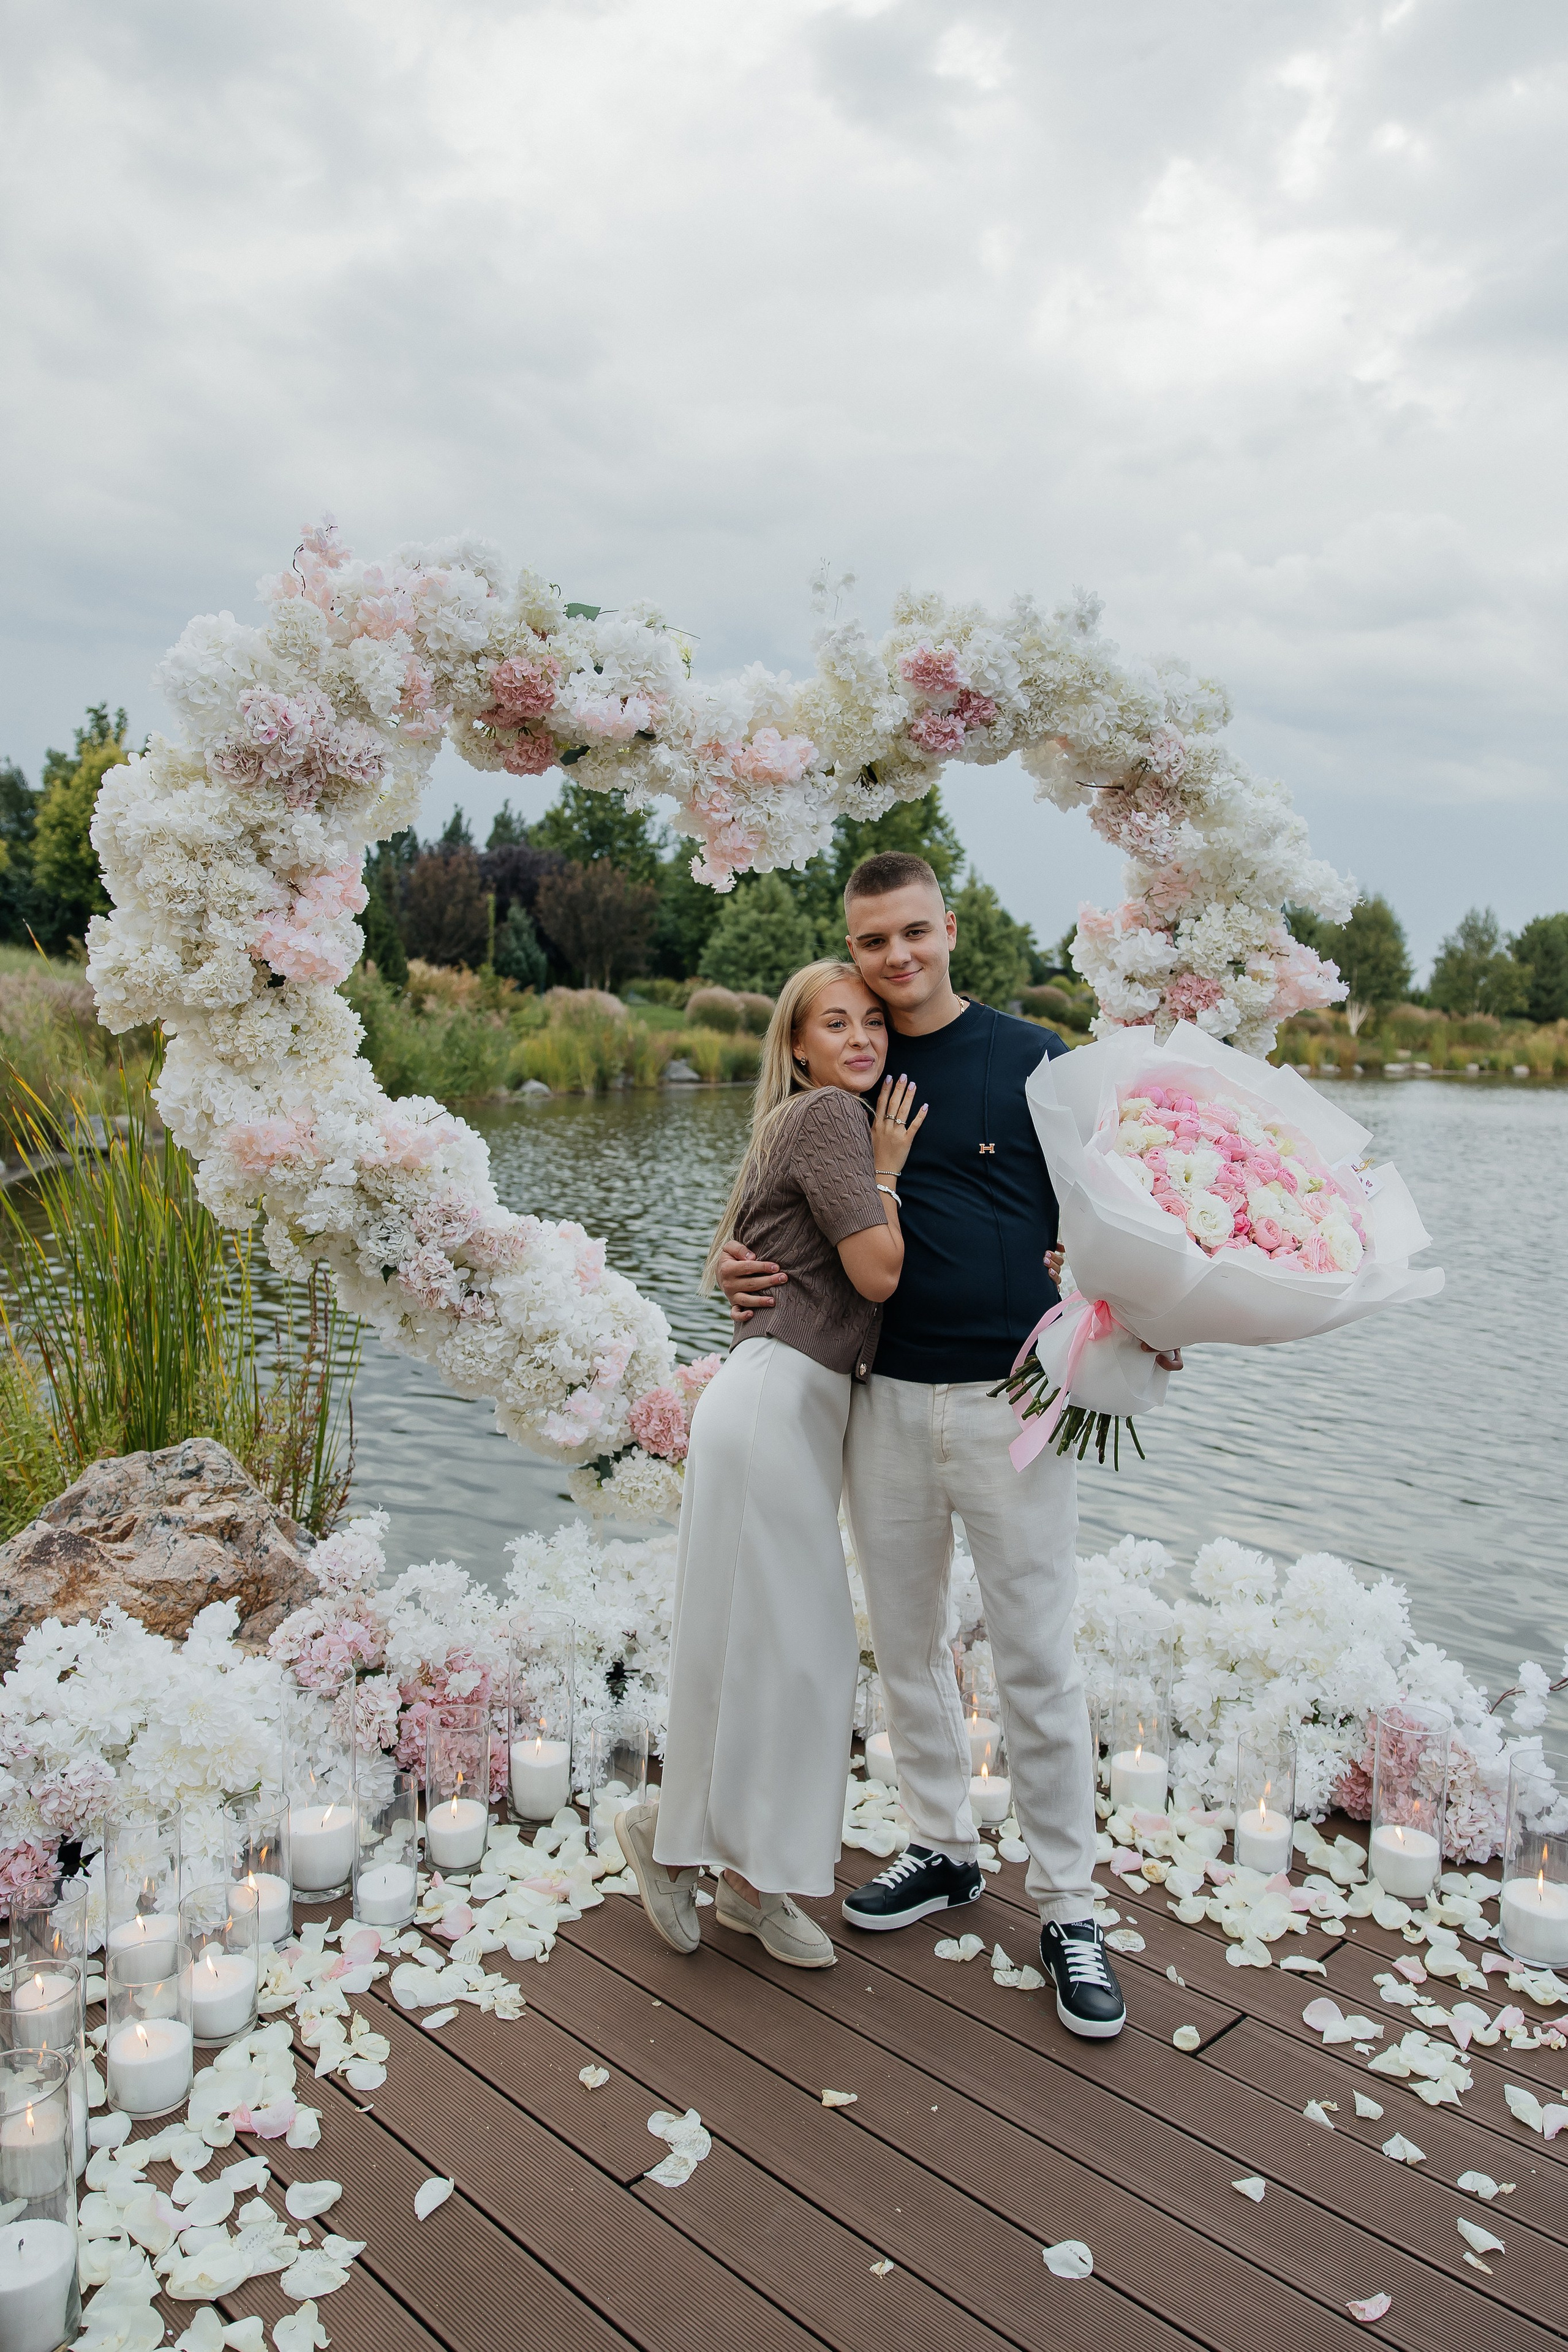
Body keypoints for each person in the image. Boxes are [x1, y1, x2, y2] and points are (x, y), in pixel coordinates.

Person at [718, 852, 1176, 2038]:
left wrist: (1142, 1304)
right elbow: (778, 1216)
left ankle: (1069, 1906)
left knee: (1032, 1654)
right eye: (872, 944)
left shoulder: (1028, 1059)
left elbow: (1114, 1209)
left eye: (912, 934)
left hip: (1012, 1399)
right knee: (907, 1644)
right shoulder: (841, 1065)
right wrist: (726, 1270)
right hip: (877, 1398)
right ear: (850, 953)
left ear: (948, 928)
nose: (895, 961)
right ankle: (942, 1846)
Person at [617, 959, 927, 1969]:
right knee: (804, 1653)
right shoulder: (834, 1121)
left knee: (772, 1650)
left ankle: (746, 1880)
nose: (861, 1040)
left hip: (795, 1405)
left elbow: (762, 1257)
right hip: (772, 1403)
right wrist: (886, 1166)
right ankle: (690, 1850)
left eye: (873, 1022)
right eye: (835, 1025)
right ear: (796, 1046)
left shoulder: (801, 1126)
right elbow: (877, 1269)